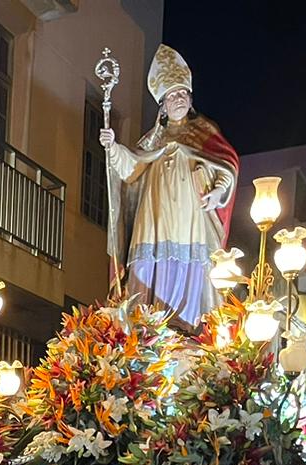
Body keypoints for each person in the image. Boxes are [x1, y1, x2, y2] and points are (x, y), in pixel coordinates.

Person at [100, 45, 238, 328]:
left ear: (190, 98)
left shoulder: (205, 132)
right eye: (172, 95)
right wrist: (112, 146)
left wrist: (218, 192)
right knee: (151, 268)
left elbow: (224, 164)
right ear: (162, 103)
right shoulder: (152, 140)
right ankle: (147, 326)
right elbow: (130, 169)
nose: (179, 99)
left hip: (190, 220)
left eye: (183, 94)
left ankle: (187, 327)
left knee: (191, 267)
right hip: (154, 218)